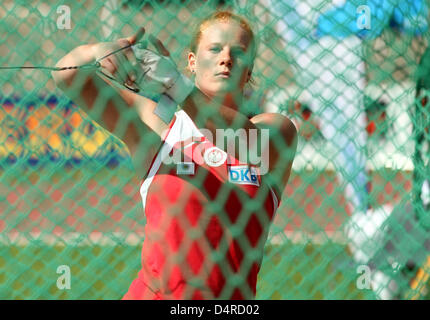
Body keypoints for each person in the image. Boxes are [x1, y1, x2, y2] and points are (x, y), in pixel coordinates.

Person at [51, 10, 297, 299]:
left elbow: (236, 138)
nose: (227, 58)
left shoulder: (275, 131)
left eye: (239, 53)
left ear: (250, 71)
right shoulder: (160, 127)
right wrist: (99, 52)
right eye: (215, 48)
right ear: (192, 62)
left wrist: (177, 86)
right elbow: (66, 75)